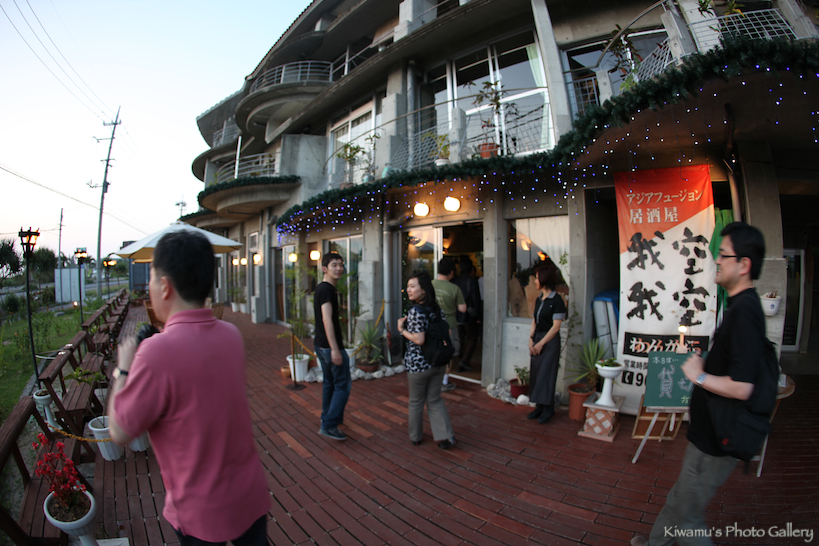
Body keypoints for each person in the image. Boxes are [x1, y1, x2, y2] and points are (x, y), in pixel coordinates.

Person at [108, 232, 269, 546]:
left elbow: (119, 431)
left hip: (201, 512)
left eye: (151, 278)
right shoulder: (231, 335)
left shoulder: (154, 354)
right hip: (249, 494)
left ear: (164, 286)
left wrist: (123, 369)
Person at [631, 222, 769, 546]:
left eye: (723, 254)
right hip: (708, 431)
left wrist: (699, 376)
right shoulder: (738, 306)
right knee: (679, 499)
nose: (716, 260)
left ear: (744, 264)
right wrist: (704, 364)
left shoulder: (745, 311)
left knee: (688, 515)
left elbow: (743, 386)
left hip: (717, 438)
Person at [398, 270, 456, 449]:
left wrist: (402, 330)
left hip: (419, 365)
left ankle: (416, 437)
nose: (408, 290)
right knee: (435, 399)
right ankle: (446, 437)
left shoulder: (416, 311)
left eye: (412, 286)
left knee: (416, 401)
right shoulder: (437, 309)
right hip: (438, 362)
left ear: (423, 290)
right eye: (408, 286)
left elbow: (419, 339)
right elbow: (448, 331)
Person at [313, 251, 351, 441]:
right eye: (334, 265)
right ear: (324, 268)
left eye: (341, 264)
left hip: (320, 345)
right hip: (329, 347)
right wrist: (335, 349)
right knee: (342, 386)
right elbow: (327, 319)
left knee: (330, 384)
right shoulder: (327, 290)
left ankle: (327, 418)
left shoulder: (322, 288)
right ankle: (328, 425)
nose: (339, 268)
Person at [526, 265, 567, 424]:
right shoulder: (539, 299)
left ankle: (548, 408)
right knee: (536, 373)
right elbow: (534, 321)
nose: (535, 281)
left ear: (544, 279)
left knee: (546, 374)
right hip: (537, 338)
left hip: (550, 341)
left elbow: (556, 327)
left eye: (537, 278)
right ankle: (539, 406)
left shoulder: (557, 300)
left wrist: (541, 343)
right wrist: (531, 339)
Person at [431, 258, 466, 392]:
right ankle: (444, 381)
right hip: (449, 325)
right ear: (452, 272)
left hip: (432, 324)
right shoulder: (454, 288)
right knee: (447, 353)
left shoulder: (429, 285)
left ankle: (432, 379)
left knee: (433, 350)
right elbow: (462, 309)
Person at [453, 257, 481, 372]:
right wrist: (478, 316)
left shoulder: (455, 281)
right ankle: (464, 361)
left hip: (456, 314)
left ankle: (460, 361)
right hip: (469, 315)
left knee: (460, 338)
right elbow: (476, 300)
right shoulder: (472, 281)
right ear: (471, 269)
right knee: (472, 338)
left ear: (460, 268)